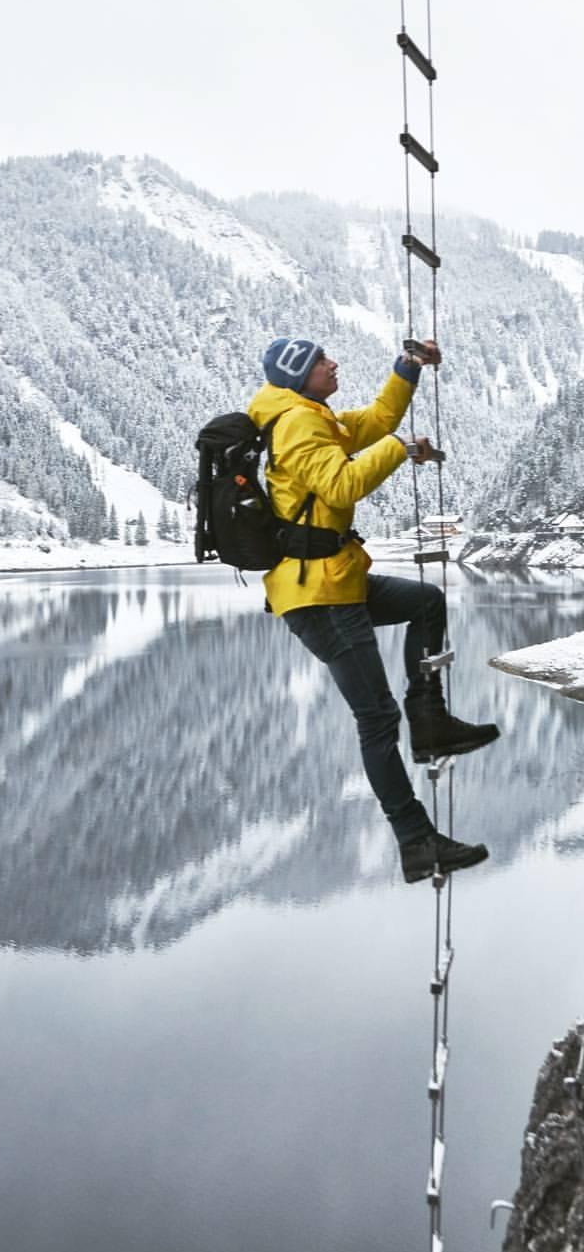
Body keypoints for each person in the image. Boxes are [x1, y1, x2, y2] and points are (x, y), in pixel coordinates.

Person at [248, 337, 499, 884]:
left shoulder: (314, 415)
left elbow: (380, 418)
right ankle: (416, 841)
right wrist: (403, 451)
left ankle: (430, 722)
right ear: (298, 375)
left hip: (337, 580)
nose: (333, 364)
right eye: (320, 361)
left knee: (427, 602)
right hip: (318, 595)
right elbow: (343, 484)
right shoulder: (297, 425)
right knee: (377, 719)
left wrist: (407, 367)